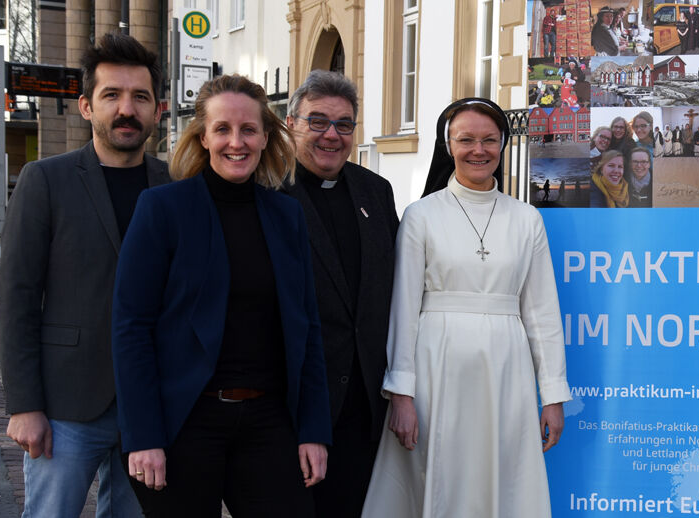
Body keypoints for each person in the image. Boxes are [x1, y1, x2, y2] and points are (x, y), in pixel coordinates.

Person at [112, 74, 331, 514]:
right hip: (186, 423)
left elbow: (307, 326)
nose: (237, 142)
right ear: (204, 137)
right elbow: (131, 326)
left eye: (249, 129)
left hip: (269, 421)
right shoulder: (163, 209)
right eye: (223, 129)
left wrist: (314, 430)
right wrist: (144, 437)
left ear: (266, 137)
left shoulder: (286, 215)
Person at [363, 98, 571, 517]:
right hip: (436, 369)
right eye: (467, 140)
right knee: (438, 478)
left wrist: (552, 395)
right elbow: (403, 309)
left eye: (490, 140)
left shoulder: (527, 218)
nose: (479, 150)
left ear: (503, 145)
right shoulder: (421, 215)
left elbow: (542, 313)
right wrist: (401, 393)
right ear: (449, 145)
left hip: (506, 370)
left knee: (502, 477)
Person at [0, 32, 166, 518]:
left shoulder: (175, 185)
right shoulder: (45, 180)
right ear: (86, 106)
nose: (126, 109)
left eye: (139, 97)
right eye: (111, 95)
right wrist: (23, 404)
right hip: (63, 405)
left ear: (159, 109)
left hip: (148, 406)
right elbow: (17, 297)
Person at [281, 70, 400, 518]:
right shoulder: (265, 190)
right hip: (293, 406)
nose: (332, 135)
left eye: (344, 124)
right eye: (318, 121)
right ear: (291, 124)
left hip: (364, 405)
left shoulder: (376, 191)